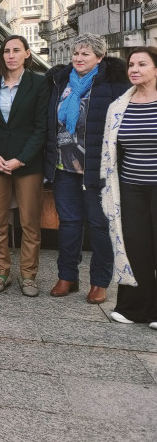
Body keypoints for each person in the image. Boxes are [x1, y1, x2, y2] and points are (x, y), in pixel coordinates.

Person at [45, 33, 129, 303]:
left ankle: (100, 282)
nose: (79, 59)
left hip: (98, 169)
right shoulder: (59, 81)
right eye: (76, 54)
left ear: (99, 57)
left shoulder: (114, 84)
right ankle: (67, 276)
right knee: (68, 224)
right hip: (64, 166)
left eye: (86, 54)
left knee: (99, 225)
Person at [0, 35, 48, 297]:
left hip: (27, 163)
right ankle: (1, 272)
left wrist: (21, 159)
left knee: (29, 222)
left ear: (27, 54)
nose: (10, 55)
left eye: (16, 50)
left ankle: (29, 276)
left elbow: (42, 128)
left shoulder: (39, 83)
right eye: (6, 50)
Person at [101, 47, 157, 326]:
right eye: (131, 64)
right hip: (130, 186)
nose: (134, 69)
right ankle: (135, 308)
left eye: (142, 64)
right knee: (134, 245)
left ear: (156, 70)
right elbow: (111, 153)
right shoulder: (119, 106)